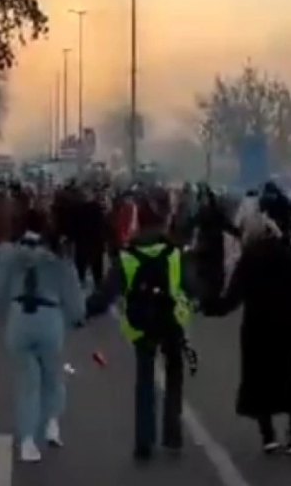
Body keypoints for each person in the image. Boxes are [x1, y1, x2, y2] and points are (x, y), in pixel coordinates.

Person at [203, 211, 291, 454]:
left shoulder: (250, 259)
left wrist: (209, 305)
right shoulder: (287, 255)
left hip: (258, 328)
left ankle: (268, 436)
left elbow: (232, 298)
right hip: (287, 327)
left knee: (258, 381)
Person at [88, 198, 196, 461]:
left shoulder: (128, 256)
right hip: (171, 320)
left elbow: (107, 293)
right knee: (173, 376)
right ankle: (172, 436)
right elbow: (191, 287)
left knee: (145, 380)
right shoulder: (174, 253)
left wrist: (86, 311)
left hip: (141, 322)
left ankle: (144, 441)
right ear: (163, 222)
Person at [0, 209, 85, 463]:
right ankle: (52, 421)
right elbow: (73, 294)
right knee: (53, 375)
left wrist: (4, 307)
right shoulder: (57, 256)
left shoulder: (8, 255)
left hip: (19, 319)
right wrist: (77, 316)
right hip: (50, 318)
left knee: (26, 382)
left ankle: (28, 441)